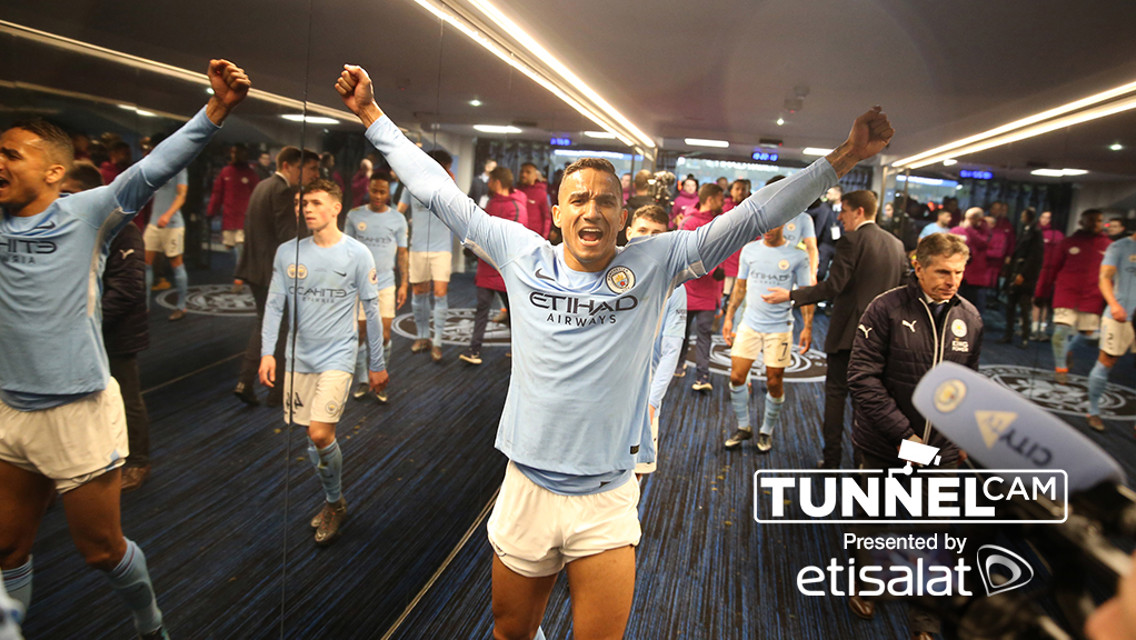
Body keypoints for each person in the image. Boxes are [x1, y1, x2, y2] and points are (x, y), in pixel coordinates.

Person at [337, 63, 893, 640]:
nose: (592, 210)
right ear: (556, 214)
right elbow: (435, 190)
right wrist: (373, 116)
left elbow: (755, 214)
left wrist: (847, 155)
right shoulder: (521, 253)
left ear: (622, 216)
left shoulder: (657, 262)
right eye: (577, 199)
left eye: (606, 200)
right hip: (526, 484)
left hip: (606, 496)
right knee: (512, 634)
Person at [0, 58, 249, 640]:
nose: (0, 160)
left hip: (76, 410)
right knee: (8, 548)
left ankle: (150, 622)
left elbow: (153, 169)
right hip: (11, 407)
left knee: (100, 550)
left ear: (55, 170)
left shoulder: (86, 214)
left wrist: (216, 109)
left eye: (13, 153)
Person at [846, 231, 982, 639]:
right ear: (918, 267)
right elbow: (862, 378)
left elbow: (967, 385)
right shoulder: (885, 309)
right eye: (943, 271)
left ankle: (925, 621)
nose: (952, 280)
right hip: (885, 442)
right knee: (872, 520)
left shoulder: (969, 318)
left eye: (958, 272)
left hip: (938, 450)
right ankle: (863, 582)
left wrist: (957, 439)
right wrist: (905, 435)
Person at [258, 179, 388, 545]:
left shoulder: (357, 254)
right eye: (302, 203)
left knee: (320, 433)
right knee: (311, 438)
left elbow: (373, 313)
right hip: (298, 359)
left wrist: (375, 364)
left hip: (339, 356)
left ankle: (334, 503)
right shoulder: (288, 252)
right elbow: (274, 305)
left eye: (315, 202)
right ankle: (334, 497)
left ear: (336, 207)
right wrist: (268, 352)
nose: (307, 209)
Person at [764, 189, 908, 469]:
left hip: (848, 337)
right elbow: (903, 292)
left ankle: (831, 461)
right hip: (883, 339)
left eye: (843, 211)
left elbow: (834, 286)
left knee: (836, 396)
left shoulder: (852, 240)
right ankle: (862, 463)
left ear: (859, 212)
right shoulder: (896, 244)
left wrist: (793, 295)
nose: (839, 217)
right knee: (869, 404)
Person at [232, 146, 320, 405]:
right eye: (311, 169)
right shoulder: (282, 190)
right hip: (273, 272)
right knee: (279, 329)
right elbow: (287, 236)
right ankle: (274, 390)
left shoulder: (262, 186)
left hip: (255, 268)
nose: (315, 174)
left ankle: (246, 382)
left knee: (265, 325)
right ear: (289, 167)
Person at [722, 223, 813, 452]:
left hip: (779, 328)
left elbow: (805, 293)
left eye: (774, 226)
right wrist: (729, 317)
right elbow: (740, 287)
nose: (768, 230)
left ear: (784, 224)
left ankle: (766, 431)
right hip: (750, 324)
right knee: (736, 377)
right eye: (765, 226)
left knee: (774, 382)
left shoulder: (797, 255)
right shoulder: (749, 250)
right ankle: (744, 427)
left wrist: (808, 327)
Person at [624, 205, 686, 476]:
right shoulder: (602, 273)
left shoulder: (675, 287)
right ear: (628, 233)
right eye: (642, 231)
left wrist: (651, 403)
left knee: (634, 474)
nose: (648, 238)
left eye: (656, 233)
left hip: (643, 396)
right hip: (599, 393)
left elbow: (671, 352)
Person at [344, 172, 408, 402]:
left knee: (383, 335)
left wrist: (404, 283)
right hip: (360, 286)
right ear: (368, 190)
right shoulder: (354, 216)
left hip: (387, 284)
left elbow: (402, 253)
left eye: (382, 191)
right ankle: (362, 379)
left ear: (388, 192)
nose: (378, 195)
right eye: (374, 191)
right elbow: (346, 251)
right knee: (360, 334)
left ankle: (379, 379)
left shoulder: (397, 220)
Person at [460, 165, 527, 365]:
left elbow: (512, 240)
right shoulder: (490, 203)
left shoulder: (517, 207)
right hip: (486, 268)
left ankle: (520, 354)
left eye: (490, 180)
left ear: (497, 182)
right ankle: (474, 351)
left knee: (514, 315)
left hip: (504, 271)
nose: (487, 184)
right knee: (482, 309)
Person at [399, 149, 455, 362]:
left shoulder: (448, 187)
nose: (448, 171)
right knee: (419, 292)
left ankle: (438, 341)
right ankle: (422, 336)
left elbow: (458, 210)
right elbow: (399, 211)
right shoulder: (411, 185)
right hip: (418, 247)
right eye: (445, 167)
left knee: (440, 293)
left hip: (441, 249)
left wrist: (451, 186)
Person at [1043, 209, 1110, 383]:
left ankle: (1068, 351)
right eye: (1091, 220)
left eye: (1099, 220)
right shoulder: (1067, 243)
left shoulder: (1108, 245)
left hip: (1092, 297)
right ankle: (1061, 368)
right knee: (1060, 333)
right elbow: (1052, 268)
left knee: (1088, 334)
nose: (1095, 224)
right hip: (1067, 294)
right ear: (1082, 222)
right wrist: (1042, 291)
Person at [1085, 228, 1136, 431]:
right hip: (1120, 313)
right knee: (1107, 360)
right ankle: (1094, 410)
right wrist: (1114, 304)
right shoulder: (1119, 247)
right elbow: (1105, 277)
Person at [678, 183, 727, 391]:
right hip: (687, 291)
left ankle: (702, 376)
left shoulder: (721, 222)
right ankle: (677, 365)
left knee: (705, 334)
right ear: (711, 199)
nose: (723, 202)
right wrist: (710, 268)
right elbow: (682, 253)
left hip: (709, 293)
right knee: (681, 333)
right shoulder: (689, 222)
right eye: (720, 198)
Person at [141, 136, 190, 321]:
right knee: (146, 264)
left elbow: (182, 195)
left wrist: (168, 214)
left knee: (176, 264)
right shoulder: (156, 167)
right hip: (154, 223)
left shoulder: (180, 167)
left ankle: (182, 306)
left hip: (173, 225)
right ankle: (144, 307)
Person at [207, 143, 259, 293]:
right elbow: (217, 194)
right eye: (233, 153)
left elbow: (257, 196)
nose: (235, 156)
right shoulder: (226, 172)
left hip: (244, 219)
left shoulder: (251, 174)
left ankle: (239, 279)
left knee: (240, 249)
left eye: (238, 153)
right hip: (229, 219)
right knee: (230, 248)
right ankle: (243, 272)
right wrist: (211, 211)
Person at [999, 208, 1043, 348]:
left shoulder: (1035, 233)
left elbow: (1034, 257)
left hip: (1025, 276)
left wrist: (1023, 274)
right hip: (1015, 271)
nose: (1021, 218)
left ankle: (1025, 337)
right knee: (1010, 306)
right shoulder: (1024, 230)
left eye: (1023, 215)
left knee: (1024, 307)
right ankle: (1008, 334)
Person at [950, 207, 991, 315]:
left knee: (972, 307)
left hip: (975, 276)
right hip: (956, 273)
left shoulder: (984, 231)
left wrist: (970, 230)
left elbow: (983, 243)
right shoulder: (957, 230)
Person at [1033, 210, 1065, 340]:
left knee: (1044, 300)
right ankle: (1034, 328)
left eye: (1048, 218)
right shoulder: (1035, 232)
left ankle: (1042, 329)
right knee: (1034, 299)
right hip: (1036, 270)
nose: (1045, 220)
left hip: (1050, 271)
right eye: (1043, 217)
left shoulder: (1058, 235)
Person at [517, 162, 551, 238]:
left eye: (528, 172)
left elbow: (547, 218)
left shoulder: (541, 193)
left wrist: (544, 237)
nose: (523, 175)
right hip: (517, 236)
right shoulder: (515, 191)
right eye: (522, 171)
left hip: (534, 238)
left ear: (535, 176)